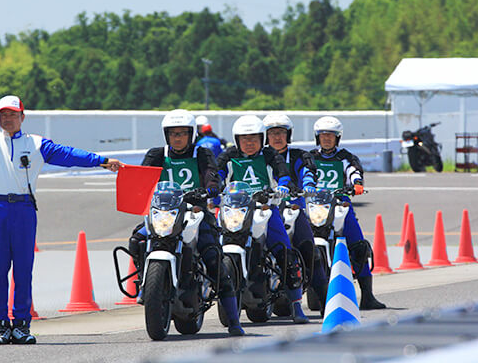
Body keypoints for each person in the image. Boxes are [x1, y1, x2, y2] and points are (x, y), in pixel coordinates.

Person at [0, 52, 122, 345]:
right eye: (2, 114)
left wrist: (101, 160)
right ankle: (1, 325)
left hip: (24, 210)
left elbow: (68, 155)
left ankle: (22, 324)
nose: (7, 118)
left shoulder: (36, 144)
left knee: (24, 269)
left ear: (22, 116)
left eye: (13, 114)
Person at [127, 109, 244, 336]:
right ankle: (145, 282)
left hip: (195, 213)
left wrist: (210, 188)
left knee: (214, 258)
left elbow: (212, 174)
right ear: (166, 135)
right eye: (173, 134)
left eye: (182, 133)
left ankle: (233, 320)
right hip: (164, 213)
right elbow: (141, 177)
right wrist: (130, 183)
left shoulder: (202, 154)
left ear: (191, 135)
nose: (178, 138)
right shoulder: (156, 154)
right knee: (137, 240)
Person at [216, 114, 309, 324]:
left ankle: (296, 305)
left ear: (262, 139)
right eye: (244, 138)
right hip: (234, 209)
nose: (249, 143)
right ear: (237, 140)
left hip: (265, 209)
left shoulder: (269, 155)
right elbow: (216, 173)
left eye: (254, 138)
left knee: (284, 251)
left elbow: (282, 172)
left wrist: (284, 185)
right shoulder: (228, 155)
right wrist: (213, 187)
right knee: (213, 247)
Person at [310, 116, 386, 310]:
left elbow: (354, 171)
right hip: (315, 207)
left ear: (338, 138)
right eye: (323, 135)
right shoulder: (309, 157)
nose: (327, 139)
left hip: (341, 206)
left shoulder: (347, 157)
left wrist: (357, 183)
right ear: (317, 137)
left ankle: (367, 296)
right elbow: (303, 174)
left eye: (331, 136)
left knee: (359, 247)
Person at [263, 113, 330, 315]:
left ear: (288, 135)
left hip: (292, 208)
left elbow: (308, 171)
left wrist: (308, 184)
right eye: (273, 133)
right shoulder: (259, 156)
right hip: (262, 210)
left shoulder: (300, 155)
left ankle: (326, 302)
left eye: (281, 133)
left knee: (310, 249)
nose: (277, 137)